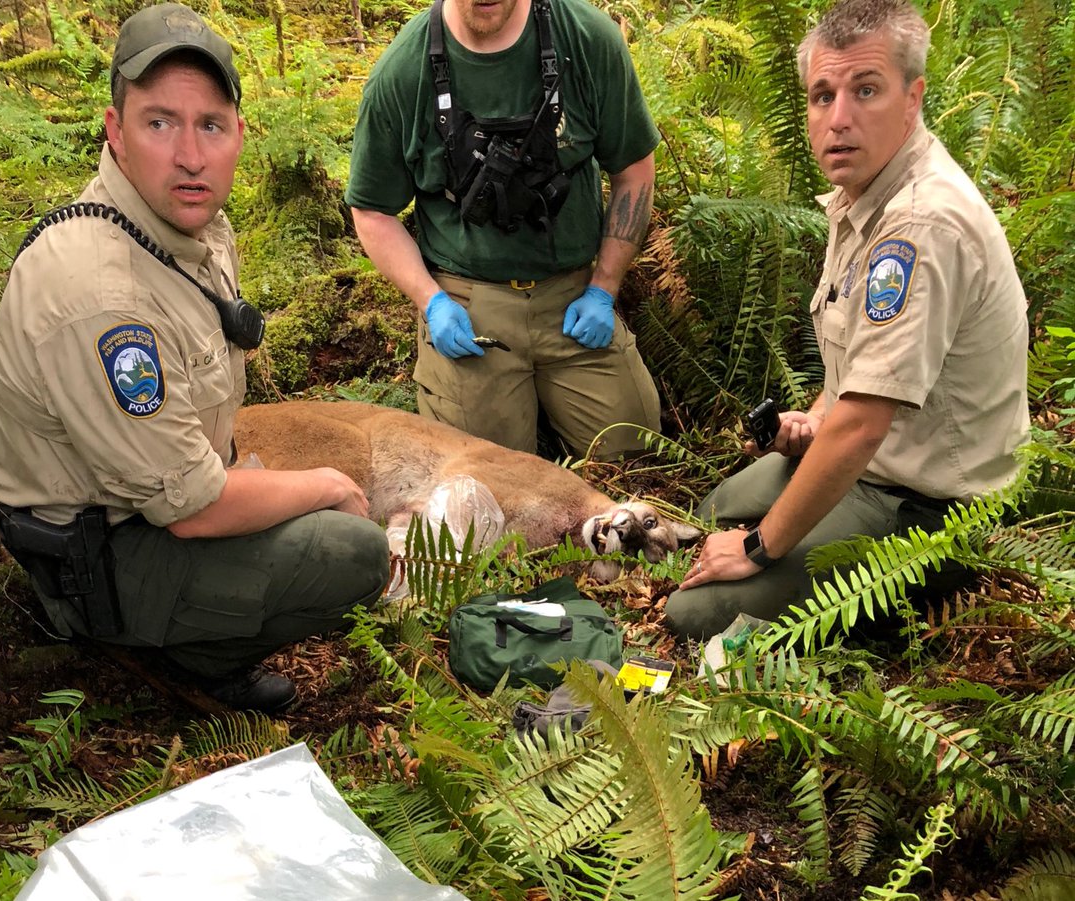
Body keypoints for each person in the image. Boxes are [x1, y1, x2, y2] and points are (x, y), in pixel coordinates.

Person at [0, 2, 389, 715]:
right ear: (116, 132)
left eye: (210, 126)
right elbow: (190, 507)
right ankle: (179, 656)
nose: (190, 155)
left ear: (238, 135)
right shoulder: (101, 293)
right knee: (354, 552)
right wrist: (322, 483)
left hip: (137, 507)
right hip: (97, 559)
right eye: (160, 123)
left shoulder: (182, 226)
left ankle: (187, 631)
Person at [665, 0, 1029, 638]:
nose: (839, 119)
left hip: (930, 510)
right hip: (875, 460)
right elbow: (853, 385)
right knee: (715, 508)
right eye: (822, 95)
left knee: (695, 613)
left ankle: (926, 592)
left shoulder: (920, 224)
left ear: (912, 98)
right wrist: (814, 419)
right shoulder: (866, 193)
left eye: (866, 91)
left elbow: (862, 426)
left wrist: (757, 549)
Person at [345, 0, 663, 458]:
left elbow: (634, 169)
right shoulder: (402, 71)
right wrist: (431, 301)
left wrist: (605, 287)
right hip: (469, 305)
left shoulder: (588, 39)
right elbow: (372, 211)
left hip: (573, 296)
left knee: (639, 455)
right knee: (482, 488)